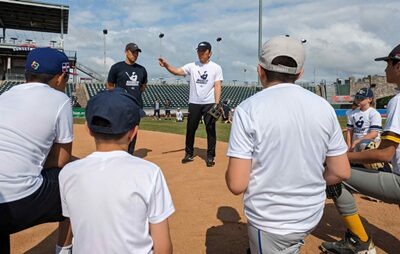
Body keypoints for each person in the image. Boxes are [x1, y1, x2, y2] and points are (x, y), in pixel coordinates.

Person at [225, 36, 350, 254]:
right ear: (300, 73)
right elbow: (341, 170)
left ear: (260, 71)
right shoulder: (324, 107)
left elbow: (236, 184)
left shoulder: (248, 109)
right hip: (310, 215)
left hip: (270, 221)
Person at [59, 88, 175, 254]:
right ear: (134, 132)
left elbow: (68, 223)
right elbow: (163, 247)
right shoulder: (150, 172)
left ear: (88, 129)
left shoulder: (68, 173)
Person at [320, 43, 400, 254]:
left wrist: (345, 156)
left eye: (389, 63)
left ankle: (359, 241)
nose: (385, 69)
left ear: (399, 66)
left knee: (336, 173)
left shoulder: (398, 101)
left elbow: (386, 153)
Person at [0, 48, 74, 254]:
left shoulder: (5, 95)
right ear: (60, 77)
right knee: (74, 180)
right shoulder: (61, 101)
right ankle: (64, 250)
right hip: (17, 205)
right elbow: (61, 161)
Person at [159, 41, 223, 167]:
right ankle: (188, 154)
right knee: (190, 129)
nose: (200, 53)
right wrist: (167, 65)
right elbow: (177, 71)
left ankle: (210, 156)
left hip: (209, 103)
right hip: (194, 102)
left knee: (210, 130)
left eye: (203, 51)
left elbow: (217, 85)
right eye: (199, 51)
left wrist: (217, 103)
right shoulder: (192, 66)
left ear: (210, 53)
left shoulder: (216, 67)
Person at [107, 42, 148, 154]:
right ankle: (117, 154)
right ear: (126, 52)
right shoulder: (116, 67)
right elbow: (110, 85)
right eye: (133, 52)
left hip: (135, 106)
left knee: (133, 133)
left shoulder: (142, 70)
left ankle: (129, 155)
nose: (135, 54)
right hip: (120, 106)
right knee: (118, 131)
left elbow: (143, 87)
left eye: (137, 52)